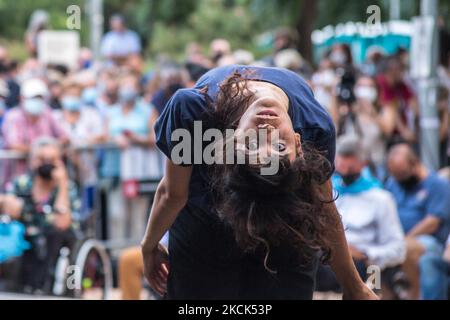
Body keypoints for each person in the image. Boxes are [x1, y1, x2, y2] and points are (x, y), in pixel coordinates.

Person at [141, 65, 377, 300]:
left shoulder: (193, 110)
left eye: (251, 146)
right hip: (206, 226)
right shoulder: (314, 127)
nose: (266, 133)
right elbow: (323, 208)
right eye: (279, 148)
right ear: (298, 144)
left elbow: (173, 194)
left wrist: (149, 246)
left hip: (282, 228)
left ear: (231, 141)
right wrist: (353, 286)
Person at [316, 136, 406, 298]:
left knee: (374, 274)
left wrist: (365, 253)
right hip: (326, 259)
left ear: (363, 163)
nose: (344, 163)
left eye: (350, 157)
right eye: (341, 156)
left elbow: (397, 248)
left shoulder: (381, 199)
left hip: (365, 264)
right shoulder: (328, 192)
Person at [7, 137, 79, 293]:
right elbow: (8, 206)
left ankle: (44, 287)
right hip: (27, 240)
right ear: (32, 161)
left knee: (54, 234)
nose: (46, 163)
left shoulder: (68, 186)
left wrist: (62, 184)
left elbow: (63, 222)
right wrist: (8, 204)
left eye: (51, 159)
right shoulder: (22, 183)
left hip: (59, 239)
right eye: (41, 159)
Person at [385, 144, 450, 300]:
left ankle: (413, 295)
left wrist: (404, 238)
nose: (399, 179)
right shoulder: (394, 183)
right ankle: (381, 295)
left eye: (402, 174)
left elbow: (432, 222)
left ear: (415, 164)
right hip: (395, 238)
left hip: (430, 241)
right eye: (395, 175)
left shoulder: (438, 184)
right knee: (371, 253)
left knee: (405, 247)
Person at [376, 56, 419, 146]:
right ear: (392, 70)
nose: (402, 73)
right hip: (387, 135)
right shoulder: (381, 82)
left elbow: (413, 102)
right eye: (401, 70)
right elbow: (390, 108)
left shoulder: (401, 85)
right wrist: (404, 131)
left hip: (401, 134)